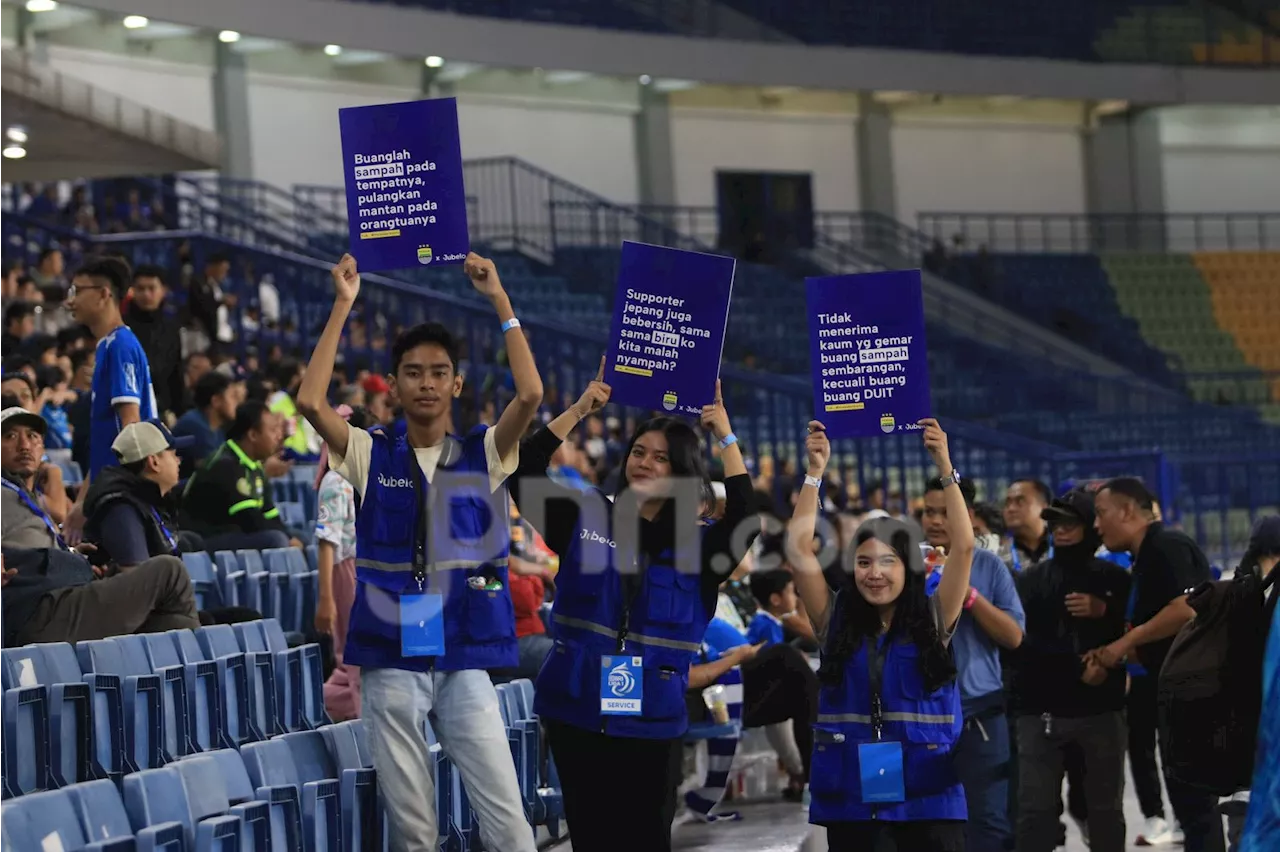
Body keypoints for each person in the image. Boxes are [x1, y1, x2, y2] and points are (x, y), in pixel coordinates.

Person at [297, 253, 543, 852]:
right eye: (412, 372)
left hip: (462, 656)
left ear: (456, 384)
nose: (426, 383)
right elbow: (309, 402)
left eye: (438, 373)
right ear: (396, 385)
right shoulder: (367, 453)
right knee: (414, 831)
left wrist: (500, 299)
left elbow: (531, 393)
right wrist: (342, 304)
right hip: (391, 658)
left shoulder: (484, 454)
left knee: (509, 822)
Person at [506, 366, 754, 852]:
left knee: (645, 839)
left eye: (660, 458)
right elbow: (523, 469)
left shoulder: (700, 548)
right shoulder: (585, 516)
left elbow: (744, 517)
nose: (644, 462)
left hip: (653, 719)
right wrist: (580, 410)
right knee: (593, 839)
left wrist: (724, 434)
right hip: (575, 711)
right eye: (639, 452)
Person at [791, 419, 972, 851]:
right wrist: (814, 472)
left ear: (907, 567)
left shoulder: (934, 618)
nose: (875, 574)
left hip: (929, 798)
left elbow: (964, 547)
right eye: (865, 562)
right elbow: (797, 550)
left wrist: (945, 465)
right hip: (853, 799)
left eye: (888, 562)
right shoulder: (834, 620)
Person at [1088, 477, 1217, 851]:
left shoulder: (1167, 545)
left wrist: (1126, 642)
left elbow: (1187, 607)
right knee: (1187, 803)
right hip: (1165, 690)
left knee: (1197, 806)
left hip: (1191, 692)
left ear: (1128, 511)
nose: (1097, 526)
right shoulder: (1143, 557)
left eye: (1101, 514)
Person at [0, 406, 199, 645]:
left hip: (63, 597)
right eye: (10, 436)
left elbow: (28, 543)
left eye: (32, 436)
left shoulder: (25, 495)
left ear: (42, 446)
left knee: (175, 627)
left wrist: (70, 556)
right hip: (39, 610)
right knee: (169, 571)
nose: (24, 445)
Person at [1013, 489, 1131, 852]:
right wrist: (1074, 668)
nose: (1060, 531)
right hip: (1041, 712)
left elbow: (1138, 632)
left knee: (1104, 812)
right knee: (1034, 815)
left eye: (1070, 523)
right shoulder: (1032, 580)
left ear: (1090, 528)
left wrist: (1106, 611)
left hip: (1100, 712)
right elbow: (1018, 642)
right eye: (1054, 523)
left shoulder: (1116, 581)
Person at [922, 474, 1024, 852]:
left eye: (944, 511)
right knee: (928, 820)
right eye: (928, 511)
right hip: (922, 716)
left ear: (965, 514)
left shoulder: (989, 566)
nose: (934, 520)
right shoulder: (904, 567)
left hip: (980, 713)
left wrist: (970, 598)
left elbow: (1013, 636)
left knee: (988, 820)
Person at [63, 256, 159, 544]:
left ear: (104, 294)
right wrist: (82, 500)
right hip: (110, 488)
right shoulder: (108, 345)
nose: (71, 301)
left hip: (122, 493)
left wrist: (90, 499)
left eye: (78, 291)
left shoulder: (120, 345)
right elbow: (109, 440)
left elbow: (131, 430)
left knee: (135, 578)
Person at [180, 400, 300, 553]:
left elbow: (270, 514)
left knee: (301, 537)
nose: (278, 436)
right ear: (253, 435)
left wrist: (291, 537)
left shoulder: (254, 465)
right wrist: (288, 539)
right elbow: (249, 518)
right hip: (205, 540)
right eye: (272, 430)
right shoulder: (226, 465)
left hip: (235, 532)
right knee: (276, 540)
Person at [314, 404, 369, 722]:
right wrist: (326, 598)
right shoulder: (336, 481)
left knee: (352, 659)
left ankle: (326, 706)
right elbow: (327, 540)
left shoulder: (359, 478)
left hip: (358, 570)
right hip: (344, 573)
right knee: (355, 657)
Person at [81, 420, 191, 568]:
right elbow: (138, 578)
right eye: (173, 455)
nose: (178, 461)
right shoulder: (121, 509)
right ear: (154, 462)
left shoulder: (148, 499)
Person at [125, 265, 184, 418]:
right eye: (141, 288)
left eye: (151, 288)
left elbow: (176, 374)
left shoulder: (171, 329)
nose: (146, 294)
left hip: (163, 411)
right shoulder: (122, 327)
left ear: (163, 291)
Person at [172, 371, 245, 476]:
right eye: (232, 396)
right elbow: (215, 474)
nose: (237, 402)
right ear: (216, 401)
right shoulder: (195, 425)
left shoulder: (217, 429)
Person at [1003, 478, 1052, 573]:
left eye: (1020, 502)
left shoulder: (1064, 549)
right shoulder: (998, 558)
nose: (1011, 509)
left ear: (1044, 508)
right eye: (1007, 503)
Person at [746, 568, 796, 647]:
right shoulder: (768, 628)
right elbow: (775, 656)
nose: (795, 597)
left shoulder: (766, 622)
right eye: (791, 592)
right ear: (775, 600)